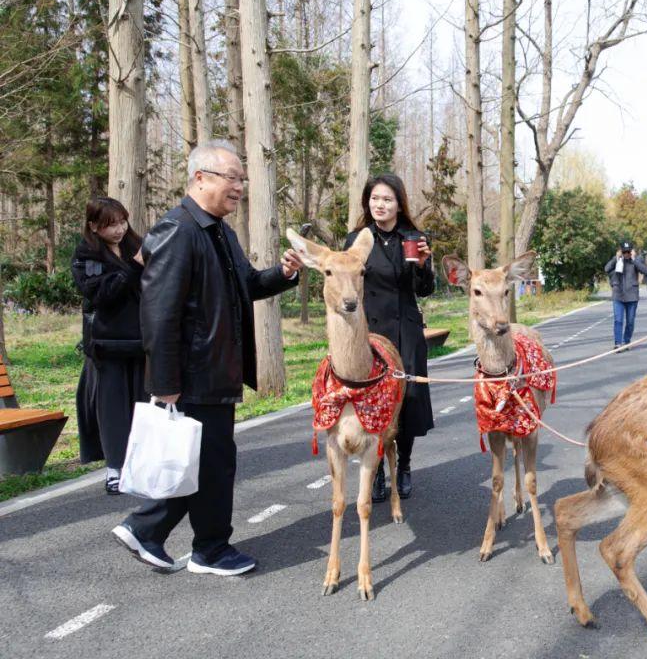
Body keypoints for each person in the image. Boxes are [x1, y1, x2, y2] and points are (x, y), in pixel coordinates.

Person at [112, 139, 303, 575]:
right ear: (201, 178)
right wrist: (165, 383)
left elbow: (249, 285)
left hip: (217, 370)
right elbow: (159, 314)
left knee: (205, 462)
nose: (239, 187)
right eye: (231, 178)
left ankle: (156, 532)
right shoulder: (177, 230)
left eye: (241, 179)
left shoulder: (219, 230)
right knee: (212, 464)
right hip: (193, 374)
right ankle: (204, 548)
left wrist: (285, 273)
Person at [343, 173, 434, 503]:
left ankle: (405, 466)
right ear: (367, 202)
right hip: (368, 331)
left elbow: (424, 289)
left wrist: (423, 265)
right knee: (371, 402)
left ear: (399, 204)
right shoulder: (356, 239)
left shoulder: (413, 238)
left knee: (407, 399)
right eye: (375, 199)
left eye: (387, 199)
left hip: (406, 330)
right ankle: (377, 468)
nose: (380, 205)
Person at [72, 198, 147, 495]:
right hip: (107, 345)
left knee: (143, 407)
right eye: (109, 225)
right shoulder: (86, 255)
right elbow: (101, 294)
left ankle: (140, 466)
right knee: (112, 409)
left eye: (121, 222)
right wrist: (134, 268)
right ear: (94, 226)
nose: (118, 230)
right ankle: (114, 469)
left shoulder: (136, 245)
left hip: (141, 341)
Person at [604, 240, 647, 351]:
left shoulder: (635, 262)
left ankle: (626, 341)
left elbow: (645, 270)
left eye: (628, 252)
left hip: (632, 296)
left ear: (631, 252)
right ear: (621, 252)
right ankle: (618, 343)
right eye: (624, 252)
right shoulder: (617, 261)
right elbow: (606, 269)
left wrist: (634, 259)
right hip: (618, 295)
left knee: (630, 321)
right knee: (618, 320)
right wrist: (615, 258)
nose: (626, 254)